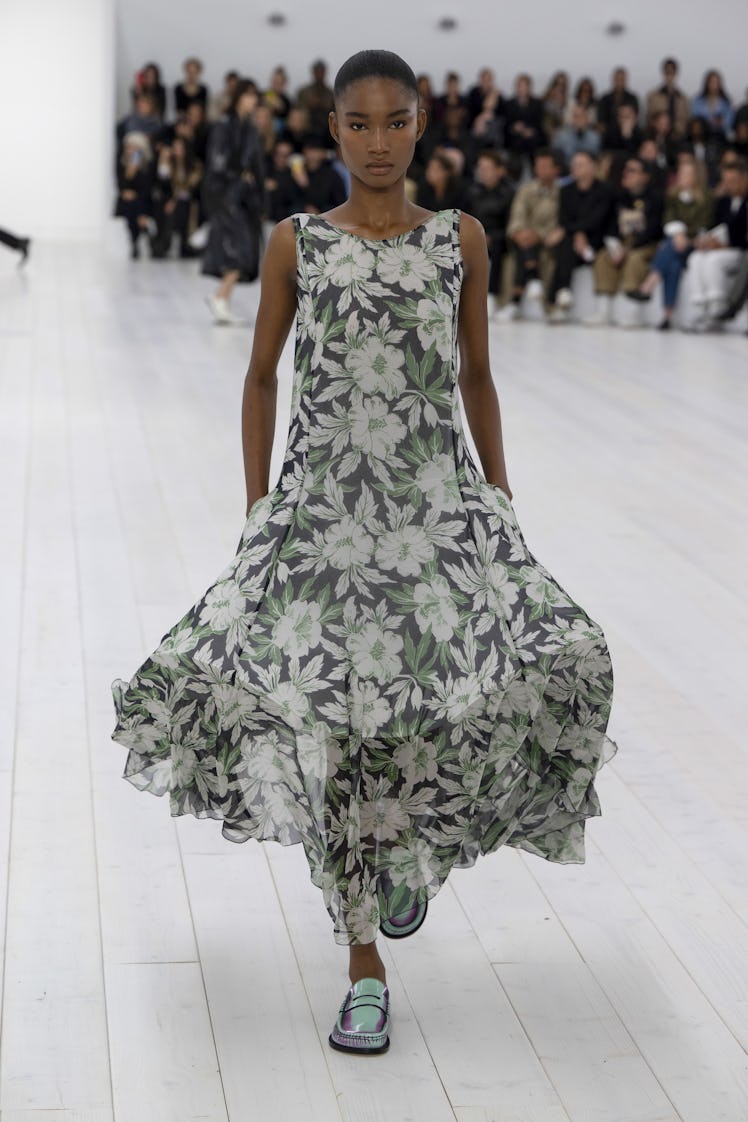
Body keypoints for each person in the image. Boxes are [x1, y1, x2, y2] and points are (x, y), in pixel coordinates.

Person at [110, 47, 616, 1059]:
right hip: (322, 523)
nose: (377, 142)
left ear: (419, 124)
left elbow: (475, 374)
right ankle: (363, 969)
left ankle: (403, 853)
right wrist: (260, 510)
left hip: (434, 514)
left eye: (395, 122)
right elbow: (260, 380)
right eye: (358, 124)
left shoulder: (458, 242)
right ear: (333, 131)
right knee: (335, 732)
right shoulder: (295, 244)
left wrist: (500, 495)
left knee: (546, 663)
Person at [201, 79, 266, 324]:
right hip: (227, 197)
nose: (252, 100)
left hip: (243, 198)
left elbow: (256, 166)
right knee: (240, 249)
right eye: (248, 95)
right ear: (239, 96)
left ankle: (222, 298)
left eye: (254, 96)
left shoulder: (247, 128)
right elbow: (219, 164)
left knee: (242, 250)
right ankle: (220, 297)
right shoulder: (225, 127)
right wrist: (239, 175)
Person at [627, 156, 713, 328]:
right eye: (681, 173)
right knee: (672, 264)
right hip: (675, 243)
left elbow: (704, 224)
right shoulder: (673, 197)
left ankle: (648, 285)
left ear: (696, 176)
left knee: (669, 249)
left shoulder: (706, 199)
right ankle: (667, 316)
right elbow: (668, 219)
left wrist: (684, 236)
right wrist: (678, 234)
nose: (683, 177)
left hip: (695, 244)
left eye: (687, 174)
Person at [592, 156, 663, 321]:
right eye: (626, 170)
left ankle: (633, 311)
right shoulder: (620, 197)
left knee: (634, 260)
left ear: (645, 176)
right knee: (603, 257)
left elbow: (653, 229)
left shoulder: (655, 198)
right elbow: (611, 226)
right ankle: (603, 310)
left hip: (646, 244)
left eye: (632, 171)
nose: (626, 174)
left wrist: (629, 249)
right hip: (623, 243)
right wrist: (614, 246)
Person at [547, 151, 613, 321]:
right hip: (572, 239)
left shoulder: (605, 190)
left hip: (596, 239)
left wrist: (577, 232)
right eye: (574, 164)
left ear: (593, 167)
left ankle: (559, 296)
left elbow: (597, 220)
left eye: (581, 164)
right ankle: (563, 293)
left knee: (564, 240)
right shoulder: (566, 190)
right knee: (565, 244)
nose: (575, 167)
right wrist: (576, 233)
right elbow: (563, 218)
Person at [498, 147, 561, 320]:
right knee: (523, 246)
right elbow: (517, 215)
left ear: (556, 169)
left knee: (525, 250)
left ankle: (514, 302)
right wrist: (521, 232)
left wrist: (539, 234)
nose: (540, 170)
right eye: (538, 166)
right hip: (522, 237)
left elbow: (558, 220)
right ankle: (533, 280)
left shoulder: (561, 193)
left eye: (545, 166)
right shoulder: (525, 190)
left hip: (545, 239)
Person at [685, 158, 748, 329]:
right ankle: (700, 307)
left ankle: (717, 308)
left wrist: (725, 246)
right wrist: (706, 240)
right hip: (721, 248)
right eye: (726, 181)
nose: (729, 186)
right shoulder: (724, 202)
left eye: (733, 181)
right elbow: (714, 226)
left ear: (745, 179)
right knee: (696, 258)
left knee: (714, 261)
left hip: (739, 250)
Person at [469, 149, 515, 314]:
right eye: (480, 168)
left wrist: (490, 236)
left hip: (501, 238)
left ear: (500, 170)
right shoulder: (473, 191)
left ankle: (492, 295)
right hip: (477, 235)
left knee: (495, 248)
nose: (482, 172)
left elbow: (511, 223)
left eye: (486, 168)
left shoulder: (510, 193)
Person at [114, 131, 156, 259]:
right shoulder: (121, 164)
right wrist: (129, 172)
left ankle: (140, 238)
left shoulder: (148, 166)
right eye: (129, 147)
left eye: (134, 147)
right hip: (127, 202)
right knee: (128, 205)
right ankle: (132, 242)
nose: (131, 150)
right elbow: (122, 186)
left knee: (137, 205)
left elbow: (146, 188)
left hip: (143, 201)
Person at [645, 58, 690, 138]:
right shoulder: (653, 96)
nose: (669, 75)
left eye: (672, 72)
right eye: (667, 72)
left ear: (676, 74)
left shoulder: (683, 99)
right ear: (663, 73)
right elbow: (649, 118)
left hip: (678, 136)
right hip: (657, 135)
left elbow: (685, 121)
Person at [691, 71, 734, 145]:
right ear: (706, 83)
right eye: (711, 82)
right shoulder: (697, 101)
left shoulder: (726, 102)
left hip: (720, 137)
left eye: (716, 82)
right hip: (701, 137)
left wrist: (721, 122)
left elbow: (729, 122)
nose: (713, 85)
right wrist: (709, 122)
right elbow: (695, 118)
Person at [554, 103, 601, 168]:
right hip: (567, 170)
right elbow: (557, 158)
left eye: (582, 116)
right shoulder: (561, 136)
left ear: (587, 118)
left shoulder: (595, 137)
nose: (579, 119)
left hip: (587, 171)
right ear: (571, 118)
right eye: (576, 116)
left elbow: (596, 158)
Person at [296, 59, 335, 136]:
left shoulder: (331, 94)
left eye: (321, 71)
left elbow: (334, 111)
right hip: (306, 129)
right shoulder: (303, 92)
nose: (319, 74)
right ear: (313, 72)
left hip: (327, 130)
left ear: (325, 73)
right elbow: (298, 110)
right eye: (317, 71)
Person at [597, 68, 639, 133]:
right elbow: (601, 121)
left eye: (622, 79)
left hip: (628, 132)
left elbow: (635, 119)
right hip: (609, 134)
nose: (619, 82)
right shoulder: (604, 99)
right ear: (613, 80)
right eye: (617, 79)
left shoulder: (632, 98)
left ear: (626, 80)